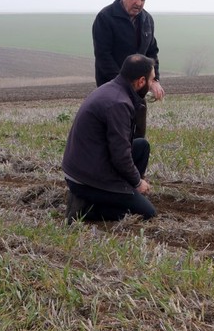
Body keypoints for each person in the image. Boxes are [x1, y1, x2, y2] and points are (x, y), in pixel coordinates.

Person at [62, 54, 158, 223]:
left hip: (88, 163)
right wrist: (137, 182)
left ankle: (118, 194)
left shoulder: (113, 88)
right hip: (87, 178)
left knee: (141, 146)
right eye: (152, 80)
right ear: (141, 81)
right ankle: (87, 209)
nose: (152, 86)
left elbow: (123, 147)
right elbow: (120, 156)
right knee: (147, 213)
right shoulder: (118, 104)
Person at [92, 0, 164, 137]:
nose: (139, 2)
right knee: (114, 136)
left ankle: (136, 161)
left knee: (138, 136)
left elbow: (152, 52)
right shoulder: (105, 18)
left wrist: (154, 80)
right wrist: (124, 85)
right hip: (111, 90)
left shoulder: (147, 20)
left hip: (139, 90)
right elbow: (103, 56)